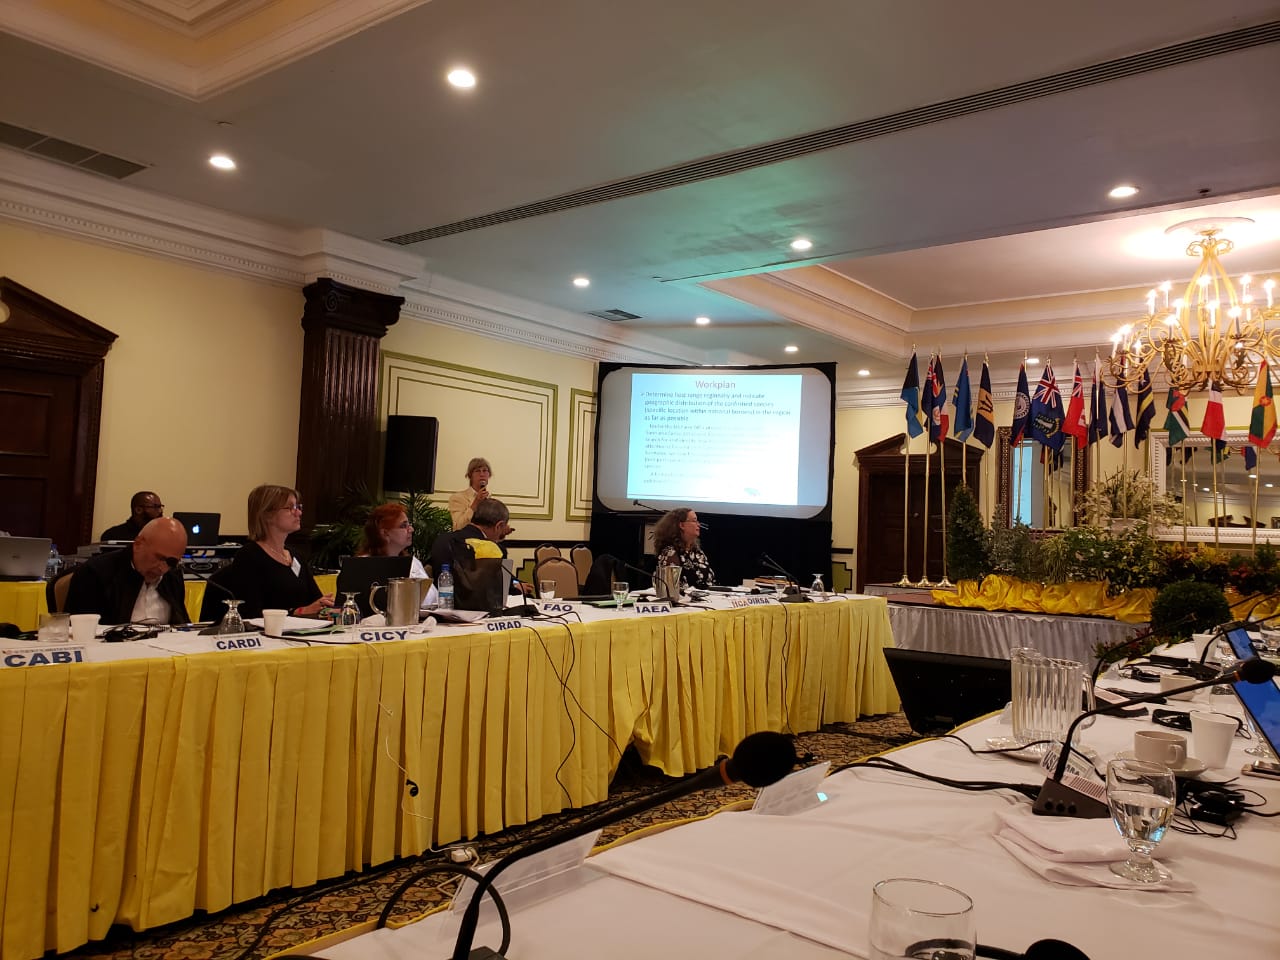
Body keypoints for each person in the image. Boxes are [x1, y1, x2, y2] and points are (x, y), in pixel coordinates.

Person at [200, 484, 333, 622]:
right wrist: (299, 612)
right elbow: (250, 613)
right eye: (290, 508)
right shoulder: (249, 556)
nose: (298, 513)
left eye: (298, 507)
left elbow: (315, 601)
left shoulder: (296, 556)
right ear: (267, 514)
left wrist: (326, 608)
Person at [66, 517, 190, 625]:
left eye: (171, 562)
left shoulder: (172, 576)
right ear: (138, 544)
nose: (162, 568)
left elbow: (182, 625)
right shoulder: (95, 573)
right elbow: (81, 630)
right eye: (159, 558)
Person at [357, 502, 439, 607]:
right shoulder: (363, 564)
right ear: (385, 533)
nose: (411, 529)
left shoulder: (413, 562)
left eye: (409, 525)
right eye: (403, 526)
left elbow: (434, 599)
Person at [653, 507, 716, 589]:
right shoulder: (670, 552)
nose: (698, 524)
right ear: (681, 525)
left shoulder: (697, 551)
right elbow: (672, 588)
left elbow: (710, 581)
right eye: (694, 521)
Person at [100, 491, 165, 542]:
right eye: (156, 507)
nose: (160, 511)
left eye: (160, 507)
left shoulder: (164, 534)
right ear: (138, 510)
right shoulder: (113, 535)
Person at [448, 457, 492, 530]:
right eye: (477, 471)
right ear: (470, 475)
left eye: (485, 471)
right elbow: (459, 526)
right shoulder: (457, 498)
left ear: (489, 475)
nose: (482, 474)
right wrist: (476, 502)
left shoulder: (491, 501)